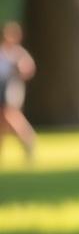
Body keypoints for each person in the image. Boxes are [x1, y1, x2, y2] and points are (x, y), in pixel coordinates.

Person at [0, 21, 37, 164]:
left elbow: (28, 70)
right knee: (2, 121)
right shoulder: (2, 52)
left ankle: (28, 140)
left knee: (10, 116)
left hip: (10, 90)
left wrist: (17, 69)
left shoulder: (18, 53)